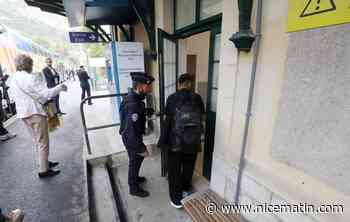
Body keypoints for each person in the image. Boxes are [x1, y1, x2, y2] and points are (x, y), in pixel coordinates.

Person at [9, 54, 68, 178]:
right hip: (35, 113)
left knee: (37, 141)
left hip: (23, 114)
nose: (32, 66)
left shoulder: (13, 79)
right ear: (28, 65)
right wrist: (60, 87)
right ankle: (44, 170)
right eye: (31, 64)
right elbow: (45, 95)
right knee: (43, 142)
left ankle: (44, 161)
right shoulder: (31, 78)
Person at [157, 73, 205, 209]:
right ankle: (185, 188)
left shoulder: (172, 98)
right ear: (190, 84)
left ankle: (176, 199)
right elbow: (201, 118)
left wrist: (163, 141)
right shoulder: (197, 98)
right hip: (193, 142)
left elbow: (168, 122)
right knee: (189, 167)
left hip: (175, 142)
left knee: (174, 170)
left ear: (179, 84)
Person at [119, 72, 154, 198]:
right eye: (148, 86)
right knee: (135, 160)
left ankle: (135, 178)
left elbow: (134, 113)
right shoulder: (134, 104)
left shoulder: (134, 98)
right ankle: (133, 188)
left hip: (129, 135)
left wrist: (145, 112)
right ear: (139, 86)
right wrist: (141, 148)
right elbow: (132, 129)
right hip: (131, 137)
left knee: (136, 160)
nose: (150, 89)